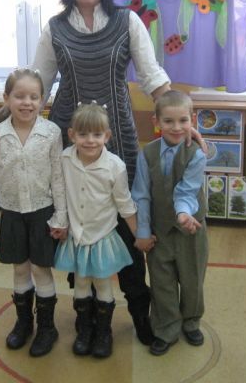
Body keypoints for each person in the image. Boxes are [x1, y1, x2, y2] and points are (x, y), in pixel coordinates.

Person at [0, 0, 173, 345]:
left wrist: (185, 121)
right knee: (74, 223)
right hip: (66, 143)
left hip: (116, 139)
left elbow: (153, 77)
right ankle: (87, 320)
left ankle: (140, 315)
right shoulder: (55, 28)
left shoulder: (127, 21)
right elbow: (34, 83)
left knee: (123, 223)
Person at [0, 68, 68, 358]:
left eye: (34, 97)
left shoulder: (51, 132)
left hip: (42, 212)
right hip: (11, 212)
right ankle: (24, 322)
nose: (27, 102)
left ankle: (47, 327)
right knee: (20, 268)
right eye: (19, 96)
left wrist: (61, 216)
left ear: (42, 100)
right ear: (7, 99)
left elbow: (58, 177)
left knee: (40, 268)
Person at [54, 103, 138, 358]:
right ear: (72, 135)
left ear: (107, 136)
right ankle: (85, 330)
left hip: (102, 236)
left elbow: (125, 204)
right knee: (80, 281)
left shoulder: (115, 166)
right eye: (83, 134)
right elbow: (58, 192)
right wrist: (59, 222)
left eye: (97, 134)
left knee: (102, 283)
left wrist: (139, 235)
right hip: (76, 236)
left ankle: (103, 332)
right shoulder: (65, 159)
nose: (90, 140)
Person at [131, 90, 208, 356]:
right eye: (169, 121)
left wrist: (183, 215)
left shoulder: (196, 154)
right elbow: (141, 194)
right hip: (159, 232)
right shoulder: (147, 154)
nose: (176, 127)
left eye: (183, 120)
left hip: (191, 230)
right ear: (156, 122)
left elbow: (186, 191)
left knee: (192, 279)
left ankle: (191, 321)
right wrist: (142, 232)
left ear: (192, 120)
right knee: (161, 282)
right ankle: (166, 328)